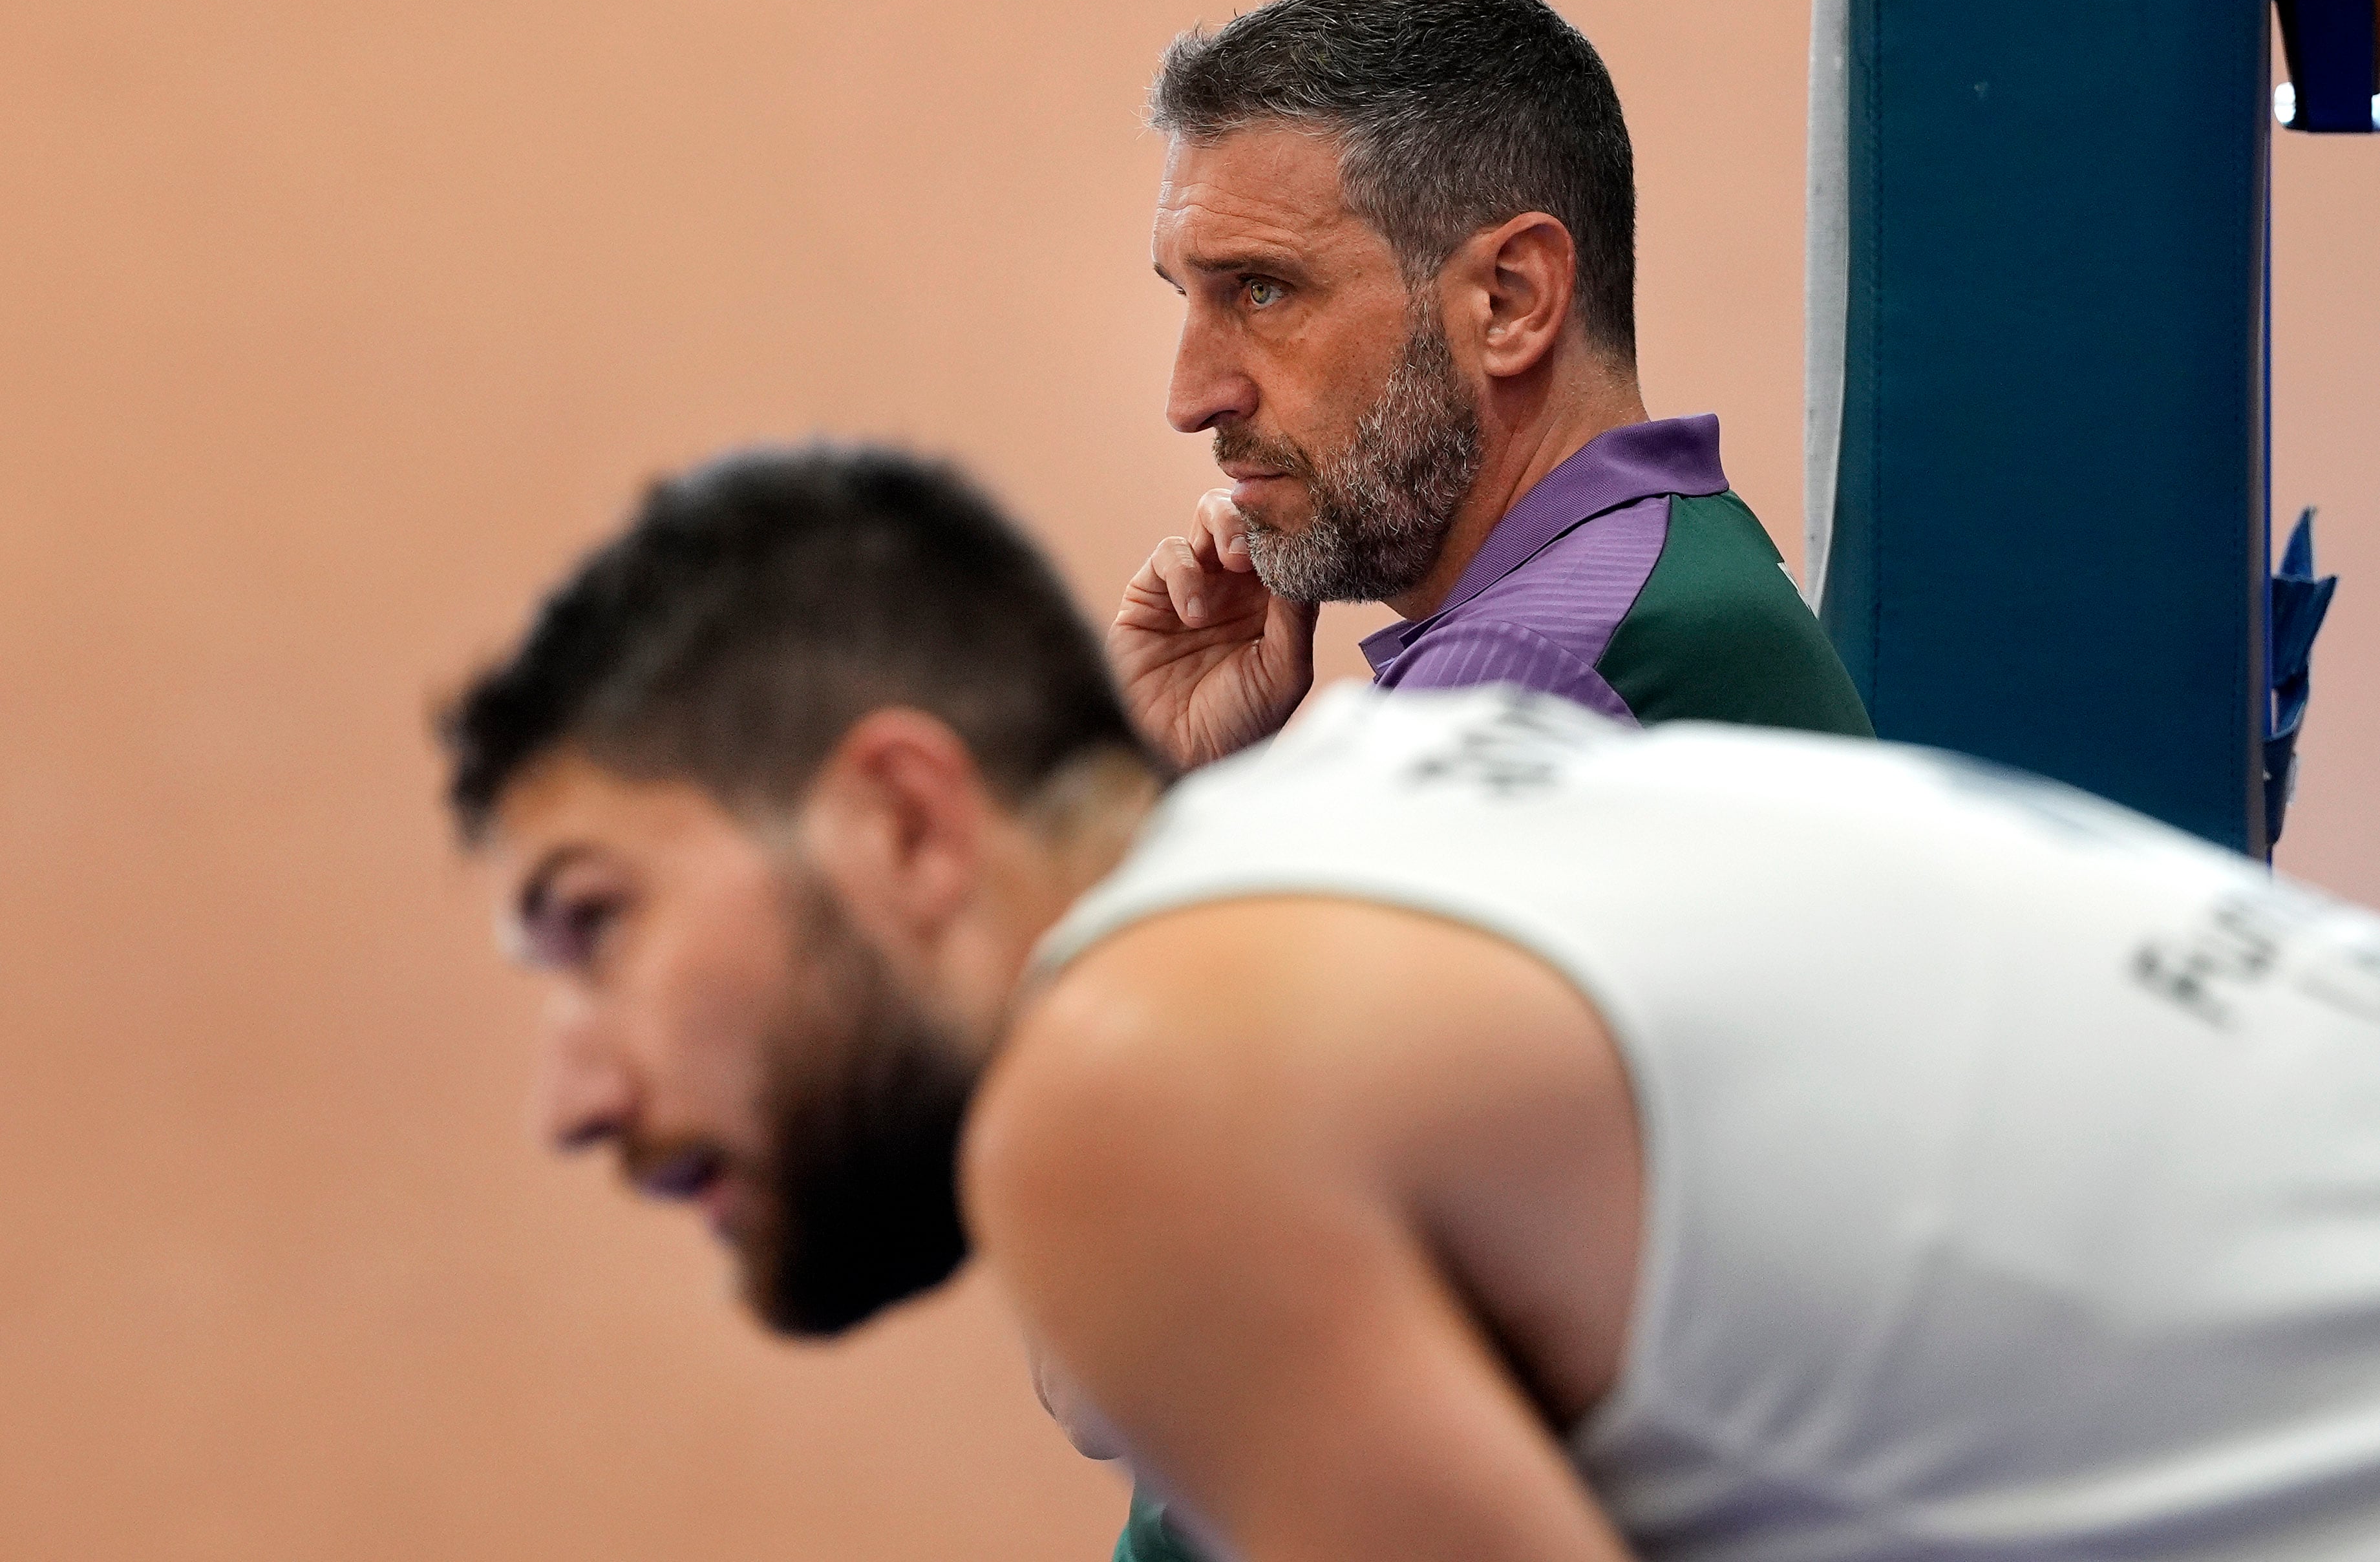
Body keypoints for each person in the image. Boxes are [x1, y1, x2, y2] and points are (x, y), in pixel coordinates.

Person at [447, 443, 2380, 1562]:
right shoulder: (1387, 798)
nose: (568, 1094)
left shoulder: (1133, 1075)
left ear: (895, 812)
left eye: (592, 921)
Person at [1112, 0, 1869, 778]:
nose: (1190, 401)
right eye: (1185, 296)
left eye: (1262, 291)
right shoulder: (1674, 562)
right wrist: (1182, 767)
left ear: (1512, 300)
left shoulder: (1513, 681)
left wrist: (1128, 796)